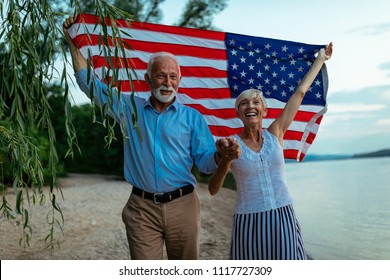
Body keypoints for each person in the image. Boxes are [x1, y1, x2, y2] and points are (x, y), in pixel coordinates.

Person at [62, 16, 240, 260]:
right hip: (141, 209)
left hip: (183, 206)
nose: (167, 83)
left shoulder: (192, 118)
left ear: (179, 80)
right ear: (147, 79)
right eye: (161, 76)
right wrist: (74, 42)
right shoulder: (128, 108)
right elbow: (89, 84)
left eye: (173, 77)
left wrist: (220, 153)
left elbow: (206, 164)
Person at [208, 43, 333, 260]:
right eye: (244, 103)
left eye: (256, 102)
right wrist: (226, 160)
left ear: (264, 110)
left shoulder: (275, 133)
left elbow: (299, 93)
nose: (250, 106)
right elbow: (212, 189)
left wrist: (320, 60)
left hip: (282, 215)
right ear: (239, 113)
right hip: (249, 220)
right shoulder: (231, 144)